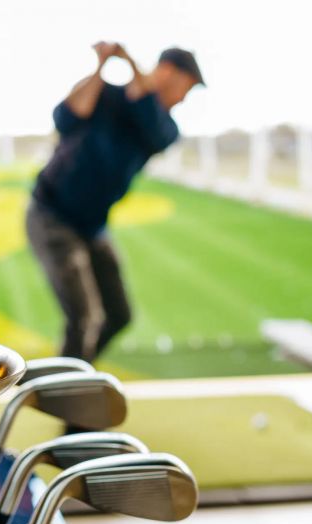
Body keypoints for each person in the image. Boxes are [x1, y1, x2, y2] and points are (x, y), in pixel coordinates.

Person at [27, 42, 205, 361]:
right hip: (52, 216)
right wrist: (102, 66)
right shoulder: (106, 96)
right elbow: (66, 115)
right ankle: (71, 395)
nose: (182, 98)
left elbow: (147, 115)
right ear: (166, 72)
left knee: (118, 314)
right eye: (184, 88)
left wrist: (132, 64)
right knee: (83, 319)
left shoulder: (164, 126)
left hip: (93, 226)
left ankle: (75, 375)